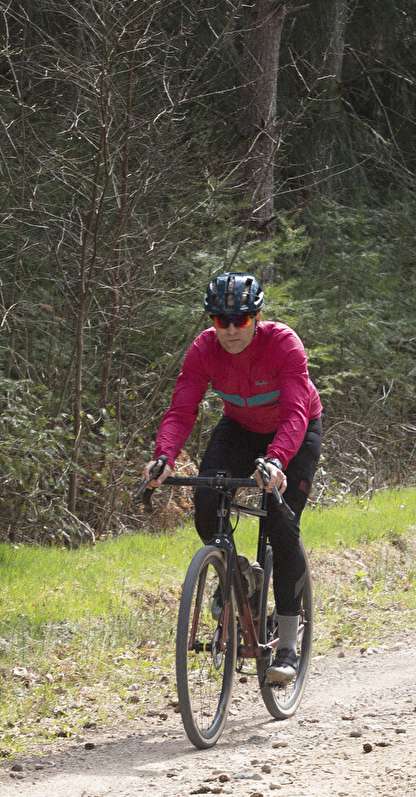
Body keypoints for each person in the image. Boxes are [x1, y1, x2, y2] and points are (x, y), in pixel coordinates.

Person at [142, 272, 323, 683]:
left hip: (295, 432)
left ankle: (289, 646)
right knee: (206, 502)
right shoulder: (204, 349)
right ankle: (240, 575)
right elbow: (182, 409)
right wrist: (164, 456)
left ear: (256, 318)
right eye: (219, 320)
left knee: (281, 524)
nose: (229, 330)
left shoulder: (283, 344)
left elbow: (295, 412)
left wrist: (276, 462)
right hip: (240, 428)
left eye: (239, 321)